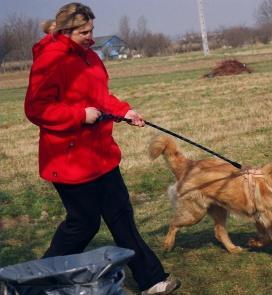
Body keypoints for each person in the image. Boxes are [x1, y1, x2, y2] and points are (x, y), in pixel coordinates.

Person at [24, 3, 180, 294]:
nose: (90, 36)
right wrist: (79, 116)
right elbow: (36, 108)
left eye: (92, 29)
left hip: (101, 155)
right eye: (84, 32)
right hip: (69, 160)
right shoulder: (50, 60)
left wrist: (125, 112)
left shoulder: (90, 58)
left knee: (122, 218)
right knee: (83, 225)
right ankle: (36, 281)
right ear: (66, 31)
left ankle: (152, 280)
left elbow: (102, 97)